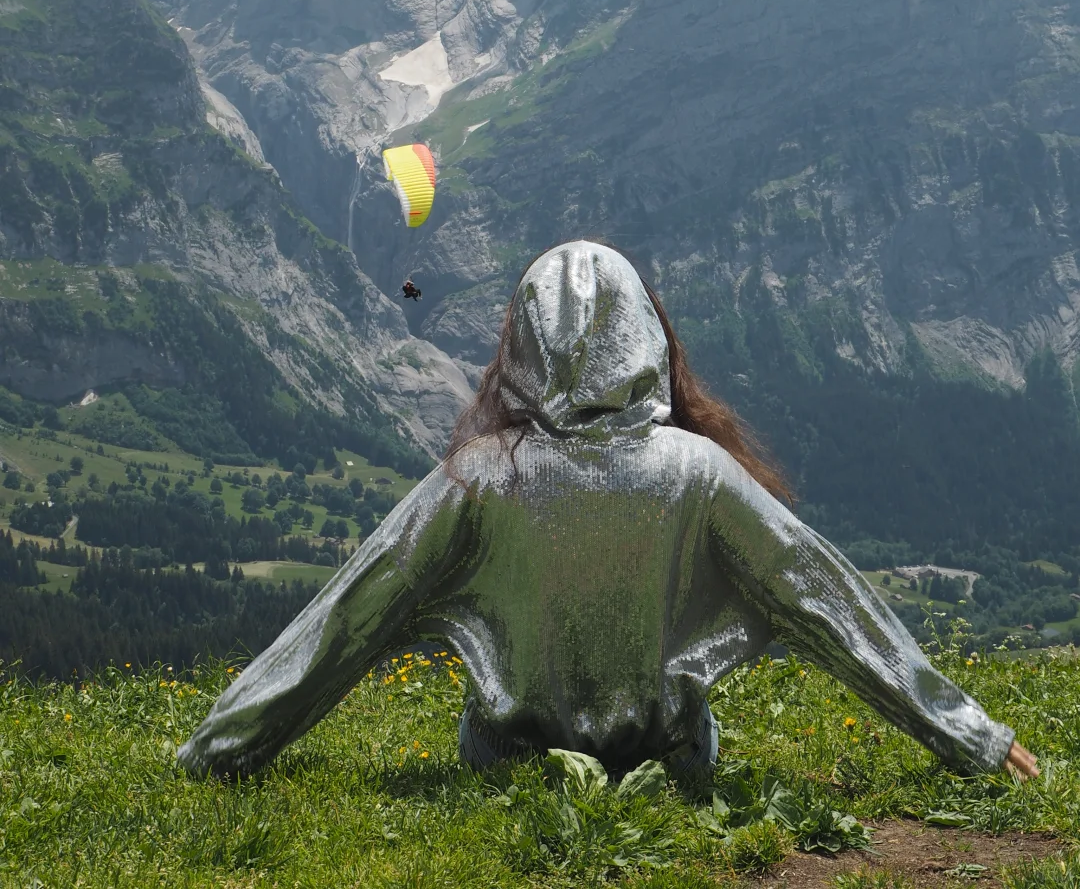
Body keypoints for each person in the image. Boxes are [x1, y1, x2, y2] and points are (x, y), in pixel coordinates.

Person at [177, 240, 1037, 782]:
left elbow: (351, 614)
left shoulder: (483, 474)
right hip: (669, 764)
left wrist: (220, 746)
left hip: (509, 767)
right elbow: (820, 596)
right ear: (646, 336)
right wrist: (971, 737)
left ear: (521, 342)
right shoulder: (697, 472)